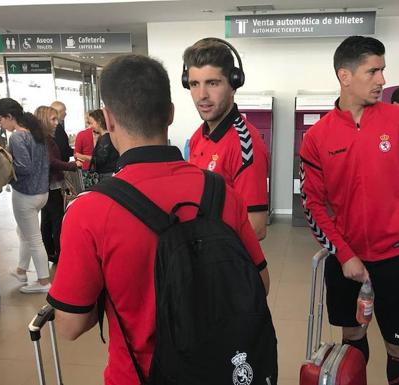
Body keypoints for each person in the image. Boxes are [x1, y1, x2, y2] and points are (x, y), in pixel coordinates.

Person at [47, 54, 270, 385]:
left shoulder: (87, 211)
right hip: (217, 369)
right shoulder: (220, 191)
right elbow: (259, 285)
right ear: (170, 113)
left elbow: (70, 325)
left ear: (108, 120)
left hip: (138, 375)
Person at [300, 36, 399, 385]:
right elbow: (313, 204)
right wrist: (345, 254)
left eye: (383, 70)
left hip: (397, 257)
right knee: (352, 344)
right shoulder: (317, 137)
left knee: (398, 347)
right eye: (374, 71)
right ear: (345, 76)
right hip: (346, 262)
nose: (383, 79)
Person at [183, 37, 269, 240]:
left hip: (224, 265)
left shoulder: (245, 143)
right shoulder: (199, 135)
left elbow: (256, 228)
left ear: (233, 84)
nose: (202, 94)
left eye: (212, 83)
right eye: (194, 84)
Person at [0, 98, 51, 294]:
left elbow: (24, 167)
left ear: (10, 116)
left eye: (0, 120)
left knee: (33, 238)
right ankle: (21, 270)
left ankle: (43, 282)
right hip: (42, 192)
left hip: (26, 193)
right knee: (25, 233)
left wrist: (5, 164)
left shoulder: (17, 137)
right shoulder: (36, 132)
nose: (0, 124)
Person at [37, 106, 80, 264]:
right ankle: (59, 253)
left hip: (45, 184)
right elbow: (51, 161)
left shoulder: (41, 138)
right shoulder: (46, 139)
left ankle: (50, 252)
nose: (57, 122)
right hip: (52, 184)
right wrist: (72, 165)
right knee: (56, 219)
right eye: (53, 119)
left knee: (47, 219)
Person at [89, 109, 119, 180]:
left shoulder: (105, 138)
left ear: (99, 122)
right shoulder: (106, 136)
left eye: (91, 123)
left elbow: (100, 160)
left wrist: (83, 157)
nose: (90, 126)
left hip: (107, 175)